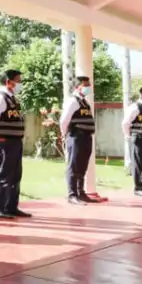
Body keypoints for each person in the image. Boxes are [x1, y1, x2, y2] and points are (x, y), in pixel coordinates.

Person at [0, 70, 31, 218]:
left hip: (15, 142)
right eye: (17, 80)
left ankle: (11, 206)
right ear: (8, 82)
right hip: (3, 142)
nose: (20, 84)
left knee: (15, 175)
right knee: (2, 174)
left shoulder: (13, 99)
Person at [60, 76, 96, 205]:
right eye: (85, 84)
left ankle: (81, 192)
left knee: (83, 165)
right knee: (74, 165)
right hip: (76, 137)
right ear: (77, 87)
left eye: (88, 84)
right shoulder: (73, 101)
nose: (88, 87)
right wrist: (65, 135)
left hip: (86, 137)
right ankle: (72, 194)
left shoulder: (84, 102)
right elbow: (64, 120)